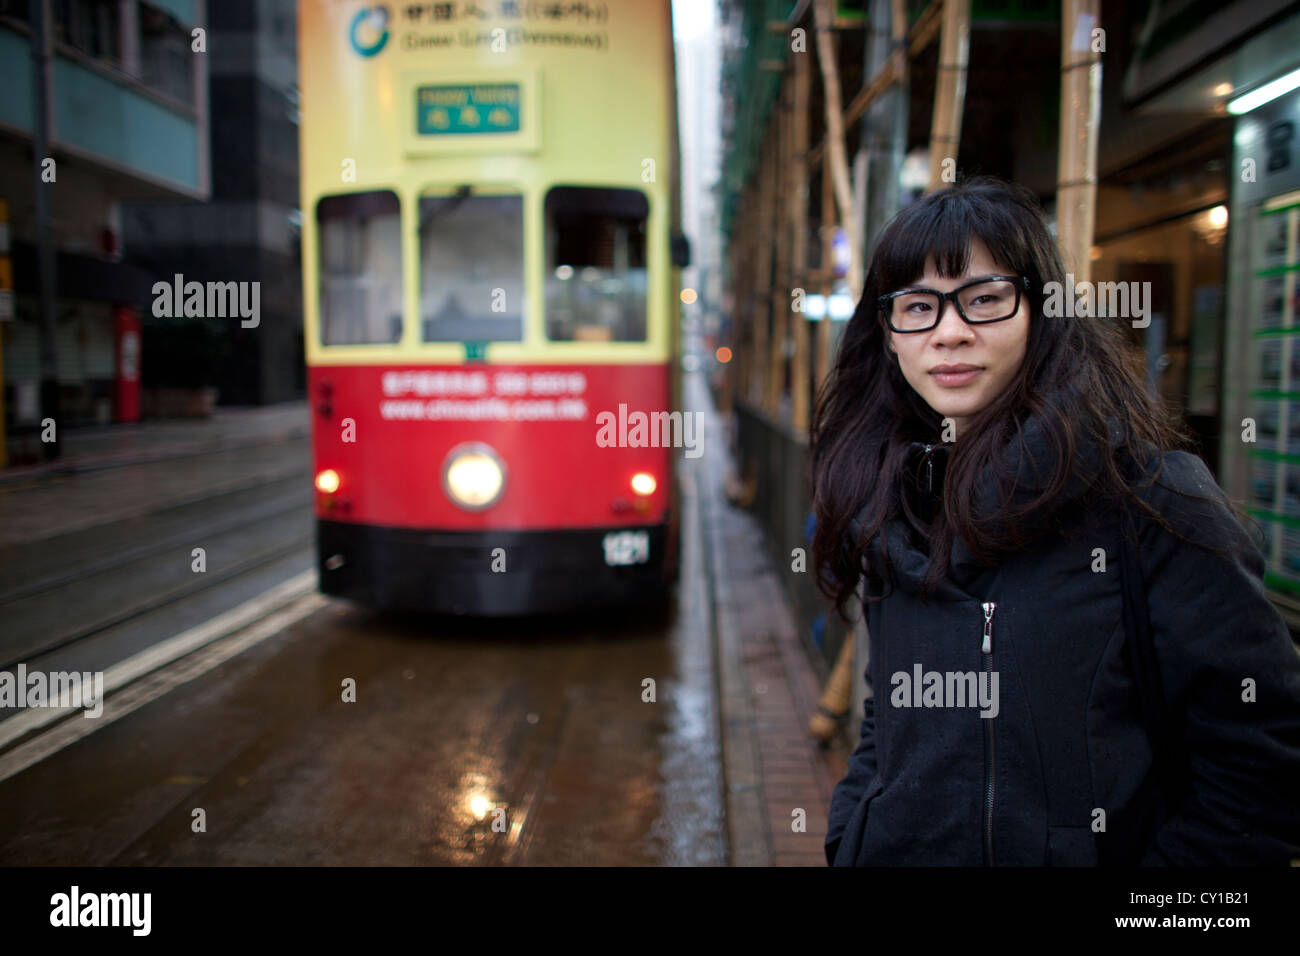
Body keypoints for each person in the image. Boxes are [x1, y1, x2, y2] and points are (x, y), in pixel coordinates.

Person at [811, 177, 1300, 866]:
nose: (950, 331)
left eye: (983, 300)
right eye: (917, 307)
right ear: (888, 334)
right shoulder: (890, 496)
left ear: (1043, 314)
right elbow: (889, 720)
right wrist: (855, 831)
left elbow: (1263, 764)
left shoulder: (1153, 502)